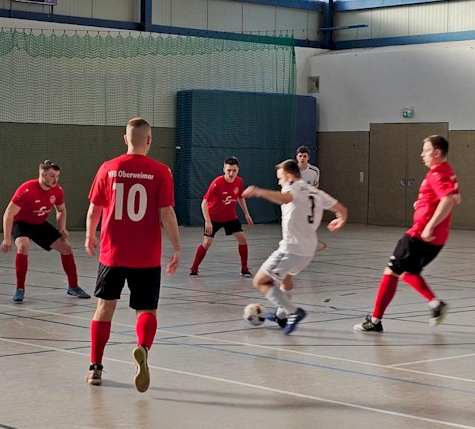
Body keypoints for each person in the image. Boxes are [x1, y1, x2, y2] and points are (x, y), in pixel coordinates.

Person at [84, 118, 181, 392]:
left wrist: (91, 235)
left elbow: (95, 210)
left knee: (104, 308)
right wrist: (176, 247)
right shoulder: (161, 171)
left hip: (112, 253)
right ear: (149, 140)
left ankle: (95, 368)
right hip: (146, 256)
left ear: (125, 138)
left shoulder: (108, 168)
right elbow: (167, 213)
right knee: (146, 310)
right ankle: (142, 348)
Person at [354, 135, 457, 333]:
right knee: (409, 273)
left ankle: (375, 321)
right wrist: (424, 204)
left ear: (437, 152)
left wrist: (429, 225)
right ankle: (435, 303)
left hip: (420, 235)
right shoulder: (449, 172)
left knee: (391, 271)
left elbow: (448, 200)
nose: (422, 155)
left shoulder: (437, 173)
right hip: (438, 239)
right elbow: (455, 197)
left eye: (426, 150)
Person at [242, 159, 347, 334]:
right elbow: (342, 210)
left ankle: (293, 312)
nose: (279, 182)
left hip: (291, 249)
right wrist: (340, 220)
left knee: (260, 281)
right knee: (286, 277)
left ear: (289, 176)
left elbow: (285, 198)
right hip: (308, 251)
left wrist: (259, 192)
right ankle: (281, 316)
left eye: (280, 178)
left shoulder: (292, 188)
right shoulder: (316, 192)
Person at [0, 160, 90, 302]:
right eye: (52, 176)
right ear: (43, 174)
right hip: (21, 224)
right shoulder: (27, 189)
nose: (55, 180)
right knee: (23, 246)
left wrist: (62, 227)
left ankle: (73, 287)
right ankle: (20, 289)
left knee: (66, 247)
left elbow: (61, 210)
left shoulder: (58, 191)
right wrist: (6, 238)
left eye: (57, 176)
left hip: (39, 224)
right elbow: (9, 214)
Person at [189, 156, 254, 277]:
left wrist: (246, 214)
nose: (231, 173)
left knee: (242, 239)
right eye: (229, 170)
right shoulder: (217, 183)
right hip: (213, 218)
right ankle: (194, 268)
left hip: (230, 217)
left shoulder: (239, 181)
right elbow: (204, 203)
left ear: (238, 170)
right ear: (224, 169)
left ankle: (244, 269)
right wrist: (207, 221)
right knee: (207, 243)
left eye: (234, 170)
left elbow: (240, 197)